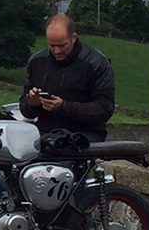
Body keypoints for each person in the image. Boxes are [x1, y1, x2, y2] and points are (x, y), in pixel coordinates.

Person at [19, 14, 115, 143]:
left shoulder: (96, 64)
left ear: (73, 38)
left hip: (84, 135)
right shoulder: (37, 62)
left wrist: (64, 107)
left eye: (62, 45)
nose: (57, 51)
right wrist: (32, 103)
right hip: (45, 133)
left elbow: (104, 109)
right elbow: (25, 108)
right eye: (52, 46)